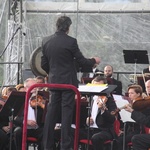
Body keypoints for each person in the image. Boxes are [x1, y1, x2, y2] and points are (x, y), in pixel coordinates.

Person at [41, 15, 100, 150]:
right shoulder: (71, 41)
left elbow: (43, 64)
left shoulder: (46, 41)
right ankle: (65, 146)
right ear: (68, 27)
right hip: (68, 83)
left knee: (51, 113)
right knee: (66, 114)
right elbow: (81, 61)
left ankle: (47, 146)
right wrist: (93, 60)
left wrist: (53, 73)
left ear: (56, 26)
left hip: (54, 82)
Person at [78, 75, 117, 150]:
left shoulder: (110, 100)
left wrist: (103, 109)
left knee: (96, 138)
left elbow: (112, 119)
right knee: (70, 132)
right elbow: (87, 115)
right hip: (90, 130)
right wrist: (87, 120)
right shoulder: (92, 98)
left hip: (104, 130)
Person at [13, 78, 44, 150]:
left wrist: (43, 105)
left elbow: (44, 117)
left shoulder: (40, 99)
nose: (35, 89)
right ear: (25, 88)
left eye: (36, 87)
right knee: (17, 132)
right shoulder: (19, 100)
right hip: (23, 127)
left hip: (37, 128)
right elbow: (14, 117)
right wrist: (26, 121)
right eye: (32, 87)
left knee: (47, 132)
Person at [124, 80, 150, 150]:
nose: (149, 89)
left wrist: (133, 111)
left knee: (137, 139)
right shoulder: (145, 103)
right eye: (147, 87)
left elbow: (147, 121)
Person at [117, 85, 143, 150]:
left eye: (132, 93)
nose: (129, 95)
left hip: (138, 131)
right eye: (129, 93)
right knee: (117, 138)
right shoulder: (131, 103)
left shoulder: (141, 104)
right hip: (130, 130)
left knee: (120, 141)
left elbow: (141, 119)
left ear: (138, 94)